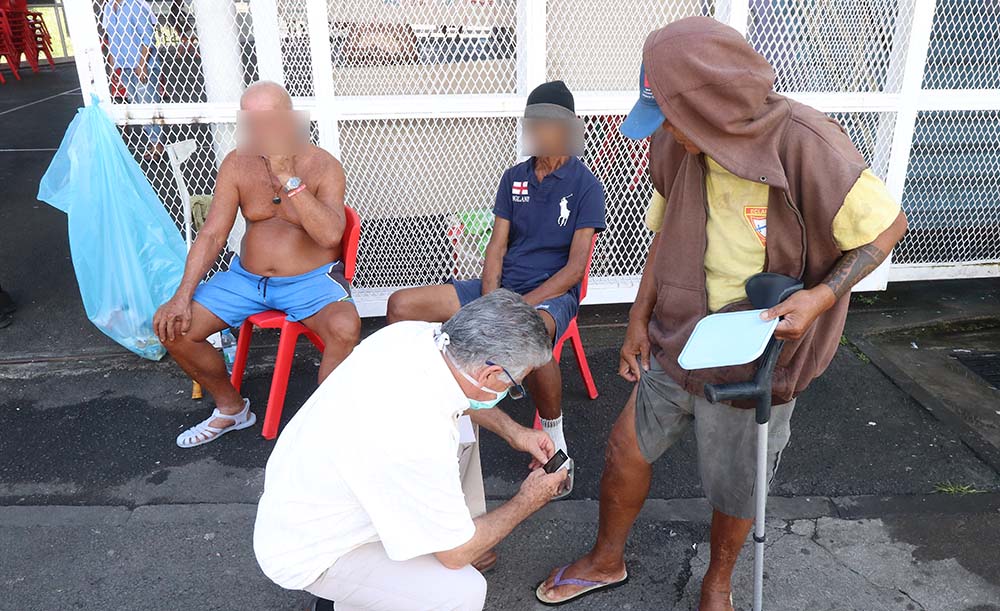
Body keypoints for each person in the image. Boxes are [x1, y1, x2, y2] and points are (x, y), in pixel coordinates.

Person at [536, 17, 908, 609]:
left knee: (739, 482)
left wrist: (819, 298)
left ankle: (718, 582)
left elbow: (886, 229)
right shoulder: (675, 143)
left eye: (674, 119)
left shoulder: (807, 144)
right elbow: (662, 236)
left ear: (712, 107)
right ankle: (606, 559)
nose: (667, 133)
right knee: (624, 448)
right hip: (679, 335)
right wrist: (637, 319)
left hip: (760, 346)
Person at [253, 289, 569, 611]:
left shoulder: (412, 337)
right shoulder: (419, 435)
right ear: (488, 374)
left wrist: (515, 432)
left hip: (305, 495)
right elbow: (456, 553)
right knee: (460, 591)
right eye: (514, 386)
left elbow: (461, 390)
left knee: (463, 430)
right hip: (313, 549)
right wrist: (530, 498)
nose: (510, 391)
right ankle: (345, 597)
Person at [386, 80, 606, 498]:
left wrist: (517, 306)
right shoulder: (514, 178)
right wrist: (492, 300)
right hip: (502, 287)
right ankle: (424, 400)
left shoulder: (585, 185)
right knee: (401, 305)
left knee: (535, 337)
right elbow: (497, 246)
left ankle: (554, 436)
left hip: (551, 294)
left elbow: (575, 269)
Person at [154, 81, 361, 448]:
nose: (258, 131)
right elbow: (212, 234)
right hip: (247, 281)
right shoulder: (237, 163)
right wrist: (182, 295)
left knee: (345, 328)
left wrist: (288, 178)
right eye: (251, 121)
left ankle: (323, 428)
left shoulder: (324, 165)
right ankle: (232, 408)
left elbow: (331, 235)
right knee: (173, 328)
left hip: (310, 282)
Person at [101, 0, 163, 158]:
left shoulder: (135, 6)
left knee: (147, 103)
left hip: (144, 65)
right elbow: (111, 39)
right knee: (136, 104)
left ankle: (157, 144)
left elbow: (148, 38)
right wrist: (112, 66)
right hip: (124, 65)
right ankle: (153, 141)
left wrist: (142, 64)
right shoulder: (108, 8)